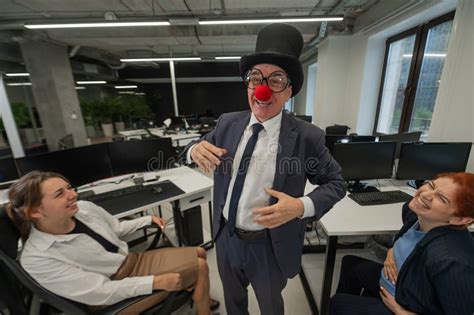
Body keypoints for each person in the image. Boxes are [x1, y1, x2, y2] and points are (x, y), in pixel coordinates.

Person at [185, 23, 346, 314]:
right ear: (248, 84)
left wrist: (300, 207)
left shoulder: (307, 136)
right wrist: (193, 149)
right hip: (226, 237)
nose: (262, 88)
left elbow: (336, 183)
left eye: (276, 80)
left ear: (289, 91)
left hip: (270, 246)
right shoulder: (226, 123)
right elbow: (197, 147)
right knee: (234, 304)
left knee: (271, 306)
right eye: (256, 78)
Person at [6, 171, 217, 314]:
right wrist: (154, 282)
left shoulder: (84, 209)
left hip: (129, 262)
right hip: (109, 294)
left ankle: (198, 293)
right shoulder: (37, 258)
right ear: (35, 211)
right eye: (60, 194)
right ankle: (203, 305)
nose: (73, 195)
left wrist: (148, 219)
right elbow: (101, 291)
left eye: (69, 188)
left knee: (199, 251)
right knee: (200, 265)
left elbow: (116, 229)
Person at [329, 172, 474, 315]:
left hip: (407, 306)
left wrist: (400, 312)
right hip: (403, 285)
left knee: (338, 303)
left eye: (442, 199)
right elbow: (407, 236)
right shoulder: (417, 214)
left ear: (459, 220)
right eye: (431, 185)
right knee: (351, 265)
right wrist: (392, 250)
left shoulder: (450, 261)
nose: (425, 195)